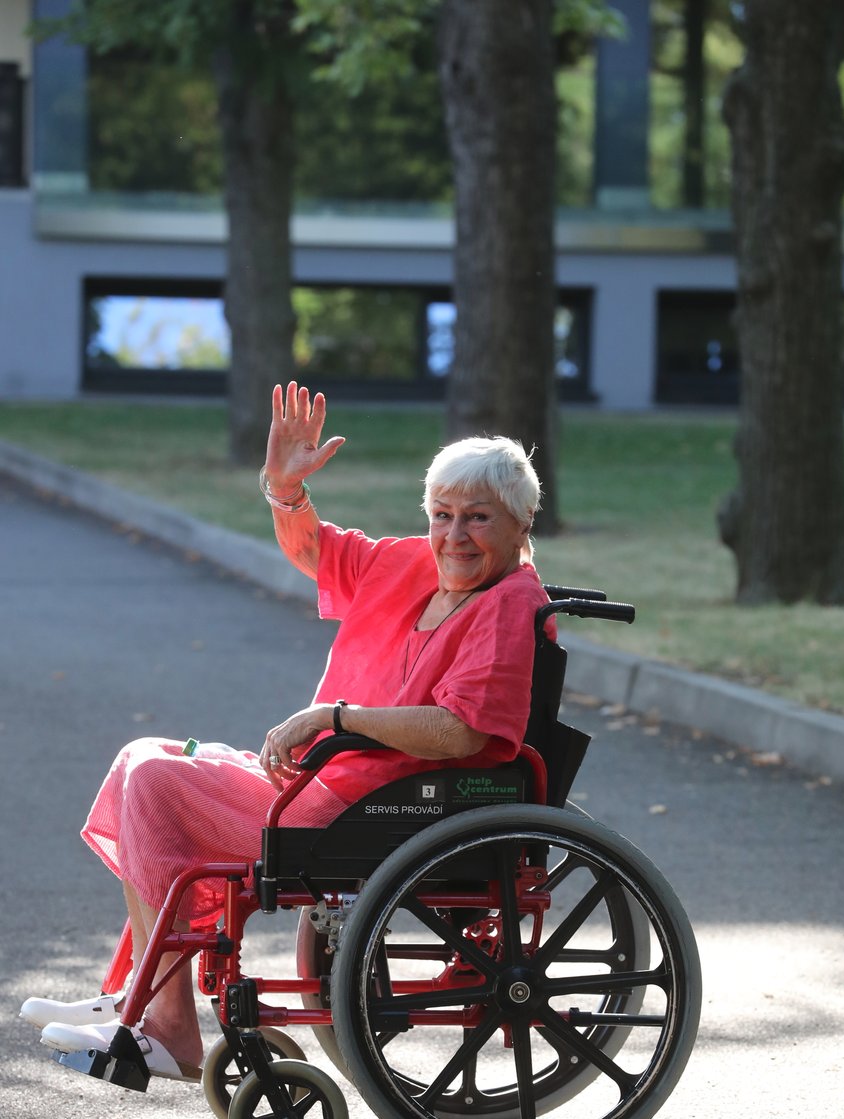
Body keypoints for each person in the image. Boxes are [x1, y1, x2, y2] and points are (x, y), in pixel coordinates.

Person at [20, 381, 549, 1082]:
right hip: (328, 785)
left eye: (477, 518)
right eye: (442, 514)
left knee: (157, 781)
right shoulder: (416, 566)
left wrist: (333, 718)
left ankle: (168, 1023)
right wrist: (284, 489)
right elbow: (319, 554)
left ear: (520, 522)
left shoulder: (510, 600)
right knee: (139, 757)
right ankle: (138, 994)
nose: (453, 535)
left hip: (368, 805)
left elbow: (459, 731)